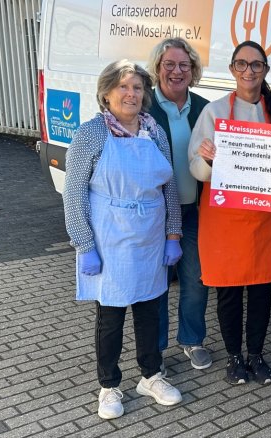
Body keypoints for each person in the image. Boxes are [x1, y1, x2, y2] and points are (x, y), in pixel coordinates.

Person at [63, 60, 184, 420]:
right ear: (106, 92)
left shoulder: (153, 131)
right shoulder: (91, 134)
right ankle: (109, 385)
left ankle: (151, 375)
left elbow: (170, 186)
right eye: (123, 87)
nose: (131, 94)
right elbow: (74, 194)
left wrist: (172, 235)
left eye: (137, 88)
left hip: (149, 237)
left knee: (149, 311)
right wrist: (84, 245)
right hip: (109, 238)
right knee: (111, 315)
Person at [188, 41, 271, 385]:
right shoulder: (213, 113)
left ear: (265, 71)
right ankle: (234, 357)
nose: (249, 71)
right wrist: (210, 159)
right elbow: (196, 167)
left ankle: (256, 355)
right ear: (232, 70)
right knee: (228, 291)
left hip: (264, 219)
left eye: (256, 65)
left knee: (261, 292)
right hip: (224, 219)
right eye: (242, 64)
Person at [146, 37, 212, 372]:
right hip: (156, 215)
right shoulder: (143, 108)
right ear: (157, 68)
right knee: (157, 284)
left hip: (194, 212)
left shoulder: (204, 108)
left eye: (184, 65)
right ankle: (154, 349)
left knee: (196, 281)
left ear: (193, 70)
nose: (176, 71)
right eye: (169, 64)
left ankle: (192, 340)